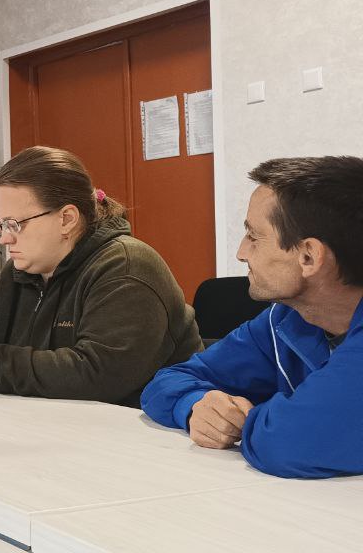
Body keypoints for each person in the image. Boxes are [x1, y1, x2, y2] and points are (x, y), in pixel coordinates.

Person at [0, 146, 202, 407]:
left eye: (14, 224)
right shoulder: (18, 272)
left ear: (67, 219)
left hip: (141, 435)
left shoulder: (127, 267)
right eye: (0, 225)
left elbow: (98, 374)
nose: (4, 239)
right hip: (56, 424)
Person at [141, 156, 363, 479]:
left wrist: (251, 419)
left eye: (253, 237)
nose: (241, 253)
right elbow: (166, 382)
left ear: (308, 256)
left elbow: (286, 442)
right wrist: (196, 406)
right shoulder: (285, 320)